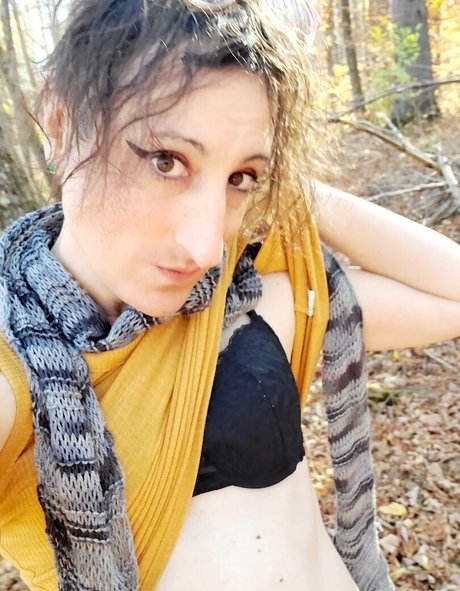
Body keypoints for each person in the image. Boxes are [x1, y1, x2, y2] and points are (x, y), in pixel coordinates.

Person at [0, 1, 459, 590]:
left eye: (242, 178)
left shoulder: (240, 295)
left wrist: (292, 185)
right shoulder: (16, 374)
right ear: (62, 125)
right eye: (166, 161)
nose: (206, 247)